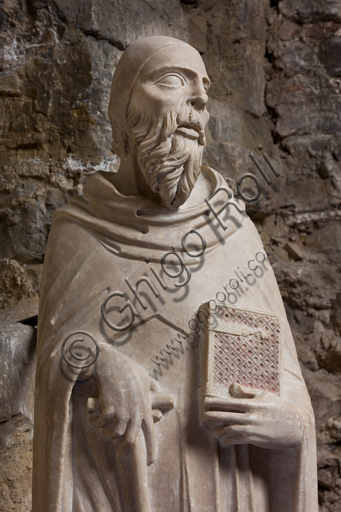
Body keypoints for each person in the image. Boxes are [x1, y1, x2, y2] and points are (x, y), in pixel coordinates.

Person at [33, 36, 318, 512]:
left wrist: (292, 424)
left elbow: (285, 382)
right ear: (125, 111)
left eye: (203, 92)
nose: (198, 103)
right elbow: (52, 367)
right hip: (123, 488)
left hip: (230, 485)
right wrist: (99, 362)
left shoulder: (236, 235)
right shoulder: (79, 232)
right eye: (173, 81)